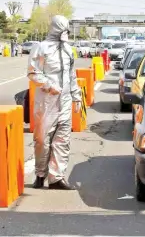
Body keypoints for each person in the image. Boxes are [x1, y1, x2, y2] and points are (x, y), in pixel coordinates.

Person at [27, 15, 82, 190]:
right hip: (46, 101)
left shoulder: (68, 50)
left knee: (62, 140)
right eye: (63, 28)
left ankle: (56, 178)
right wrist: (50, 86)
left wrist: (77, 95)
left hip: (64, 101)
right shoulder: (41, 48)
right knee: (42, 140)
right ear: (56, 28)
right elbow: (33, 73)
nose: (66, 32)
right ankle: (40, 174)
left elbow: (71, 75)